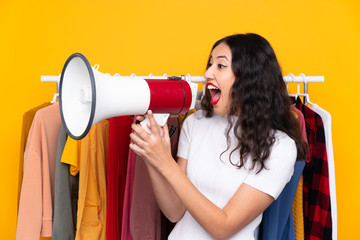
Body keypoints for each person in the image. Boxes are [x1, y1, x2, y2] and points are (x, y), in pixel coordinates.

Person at [129, 33, 309, 240]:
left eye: (220, 66)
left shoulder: (280, 147)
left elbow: (224, 227)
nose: (207, 73)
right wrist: (153, 156)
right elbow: (174, 211)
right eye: (209, 64)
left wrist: (165, 162)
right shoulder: (195, 124)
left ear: (250, 77)